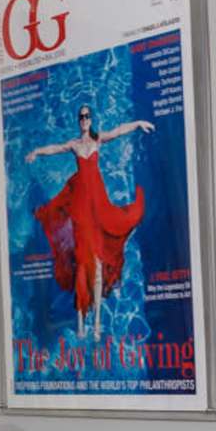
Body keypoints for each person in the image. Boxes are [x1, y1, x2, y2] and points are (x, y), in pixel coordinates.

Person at [28, 106, 159, 322]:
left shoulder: (98, 139)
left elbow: (118, 131)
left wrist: (137, 124)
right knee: (83, 258)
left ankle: (96, 316)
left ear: (91, 120)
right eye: (81, 116)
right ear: (78, 121)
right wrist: (37, 151)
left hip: (98, 203)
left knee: (99, 255)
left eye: (87, 116)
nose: (84, 119)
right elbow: (55, 148)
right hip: (81, 206)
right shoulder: (74, 145)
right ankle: (82, 313)